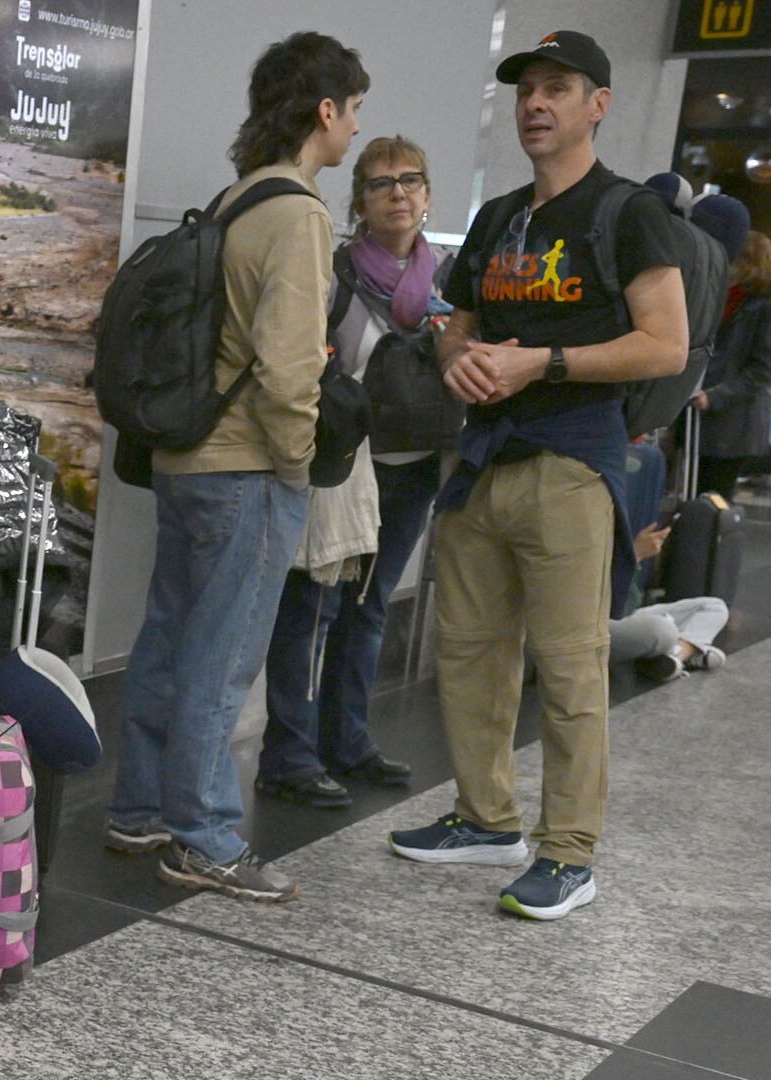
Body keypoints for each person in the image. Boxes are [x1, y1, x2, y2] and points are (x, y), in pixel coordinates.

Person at [388, 31, 690, 921]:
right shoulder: (500, 216)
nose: (535, 104)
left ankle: (568, 854)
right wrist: (457, 356)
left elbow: (664, 344)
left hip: (571, 461)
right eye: (525, 90)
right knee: (470, 653)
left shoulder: (628, 212)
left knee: (567, 666)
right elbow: (455, 312)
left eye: (557, 88)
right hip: (482, 460)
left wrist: (540, 365)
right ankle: (486, 820)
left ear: (598, 102)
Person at [105, 31, 367, 903]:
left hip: (184, 462)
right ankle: (205, 837)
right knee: (220, 663)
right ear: (324, 110)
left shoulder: (235, 198)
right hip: (247, 470)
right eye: (353, 109)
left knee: (169, 640)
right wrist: (294, 467)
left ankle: (139, 808)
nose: (357, 129)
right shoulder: (299, 212)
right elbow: (293, 371)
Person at [257, 135, 450, 809]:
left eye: (410, 180)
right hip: (341, 471)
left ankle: (349, 741)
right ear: (360, 203)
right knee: (310, 611)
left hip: (413, 467)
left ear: (428, 196)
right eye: (381, 183)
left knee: (369, 611)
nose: (398, 192)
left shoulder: (444, 282)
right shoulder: (334, 276)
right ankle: (289, 754)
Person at [693, 226, 771, 499]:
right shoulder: (726, 297)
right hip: (706, 415)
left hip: (731, 422)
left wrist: (714, 397)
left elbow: (763, 370)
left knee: (713, 497)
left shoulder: (760, 306)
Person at [613, 521, 728, 682]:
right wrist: (636, 554)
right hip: (595, 624)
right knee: (662, 629)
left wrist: (634, 556)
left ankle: (677, 654)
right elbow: (617, 605)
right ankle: (687, 652)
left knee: (714, 606)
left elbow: (629, 603)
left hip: (625, 612)